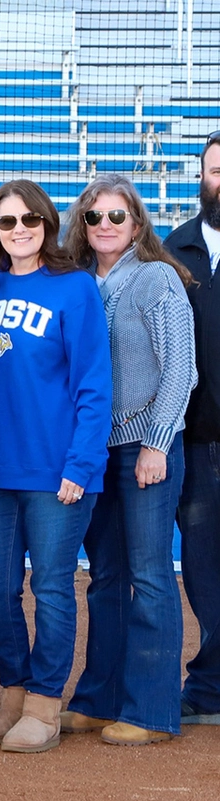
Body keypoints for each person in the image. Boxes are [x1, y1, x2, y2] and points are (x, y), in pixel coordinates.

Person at [0, 180, 112, 753]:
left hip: (58, 473)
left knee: (52, 587)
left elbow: (94, 385)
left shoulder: (75, 288)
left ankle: (47, 703)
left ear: (48, 224)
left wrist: (81, 463)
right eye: (7, 221)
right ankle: (14, 692)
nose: (20, 229)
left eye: (30, 218)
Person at [59, 175, 195, 745]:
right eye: (95, 218)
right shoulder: (76, 282)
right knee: (105, 576)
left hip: (146, 449)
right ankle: (100, 696)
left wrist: (157, 444)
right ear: (82, 227)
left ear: (137, 223)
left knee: (150, 574)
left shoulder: (157, 277)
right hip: (96, 450)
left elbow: (180, 369)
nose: (106, 226)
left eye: (118, 217)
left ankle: (152, 709)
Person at [165, 132, 220, 726]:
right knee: (204, 571)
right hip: (199, 442)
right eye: (216, 169)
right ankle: (209, 687)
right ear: (202, 176)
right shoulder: (173, 252)